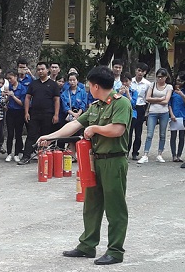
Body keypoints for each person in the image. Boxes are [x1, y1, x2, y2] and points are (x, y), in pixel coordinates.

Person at [39, 65, 132, 266]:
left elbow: (117, 129)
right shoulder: (96, 106)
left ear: (96, 85)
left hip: (113, 161)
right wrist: (51, 136)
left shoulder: (121, 103)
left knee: (115, 207)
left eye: (89, 85)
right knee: (91, 205)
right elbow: (75, 124)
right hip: (94, 161)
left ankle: (115, 251)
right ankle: (87, 245)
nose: (88, 88)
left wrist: (95, 128)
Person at [18, 62, 60, 165]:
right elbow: (28, 98)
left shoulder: (53, 84)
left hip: (48, 114)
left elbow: (56, 100)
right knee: (31, 135)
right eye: (38, 70)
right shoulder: (34, 84)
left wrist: (56, 114)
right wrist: (26, 112)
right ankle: (26, 156)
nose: (40, 71)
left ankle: (45, 156)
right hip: (34, 114)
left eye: (42, 69)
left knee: (46, 136)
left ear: (47, 70)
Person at [138, 68, 173, 164]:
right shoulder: (152, 85)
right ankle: (145, 154)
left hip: (164, 112)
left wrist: (155, 99)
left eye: (161, 77)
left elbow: (166, 101)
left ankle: (160, 154)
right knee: (149, 134)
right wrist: (160, 99)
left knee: (162, 134)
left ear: (165, 77)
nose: (159, 79)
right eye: (158, 77)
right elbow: (148, 98)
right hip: (152, 112)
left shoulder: (169, 87)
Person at [61, 72, 87, 156]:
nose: (72, 82)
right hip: (70, 116)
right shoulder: (65, 93)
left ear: (77, 81)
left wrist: (78, 114)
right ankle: (72, 154)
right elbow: (65, 106)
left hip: (80, 115)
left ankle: (79, 154)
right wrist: (73, 114)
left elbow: (83, 104)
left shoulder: (82, 92)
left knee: (79, 135)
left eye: (74, 80)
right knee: (70, 136)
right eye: (70, 80)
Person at [130, 62, 151, 160]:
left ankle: (135, 152)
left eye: (142, 71)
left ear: (145, 72)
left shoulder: (147, 84)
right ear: (135, 70)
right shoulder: (130, 81)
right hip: (130, 107)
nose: (140, 73)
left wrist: (146, 112)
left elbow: (148, 98)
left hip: (141, 107)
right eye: (138, 70)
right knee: (129, 130)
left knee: (138, 132)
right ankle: (126, 151)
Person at [4, 71, 26, 162]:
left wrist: (13, 96)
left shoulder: (22, 88)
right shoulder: (8, 87)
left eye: (11, 78)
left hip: (19, 112)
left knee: (18, 134)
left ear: (16, 77)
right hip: (10, 112)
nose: (10, 80)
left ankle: (17, 153)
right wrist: (6, 97)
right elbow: (5, 101)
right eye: (8, 79)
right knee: (10, 134)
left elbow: (22, 103)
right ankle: (9, 153)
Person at [168, 73, 185, 162]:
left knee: (182, 137)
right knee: (173, 136)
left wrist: (182, 94)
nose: (178, 82)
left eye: (180, 80)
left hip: (184, 116)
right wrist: (171, 114)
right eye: (177, 80)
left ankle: (179, 155)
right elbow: (169, 104)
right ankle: (174, 155)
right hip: (174, 115)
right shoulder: (172, 90)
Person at [118, 72, 138, 156]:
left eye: (126, 81)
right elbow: (114, 102)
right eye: (123, 81)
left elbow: (133, 104)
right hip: (120, 114)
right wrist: (120, 93)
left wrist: (127, 94)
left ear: (130, 81)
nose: (125, 83)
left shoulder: (134, 91)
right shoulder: (117, 91)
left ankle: (127, 151)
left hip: (131, 114)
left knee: (129, 134)